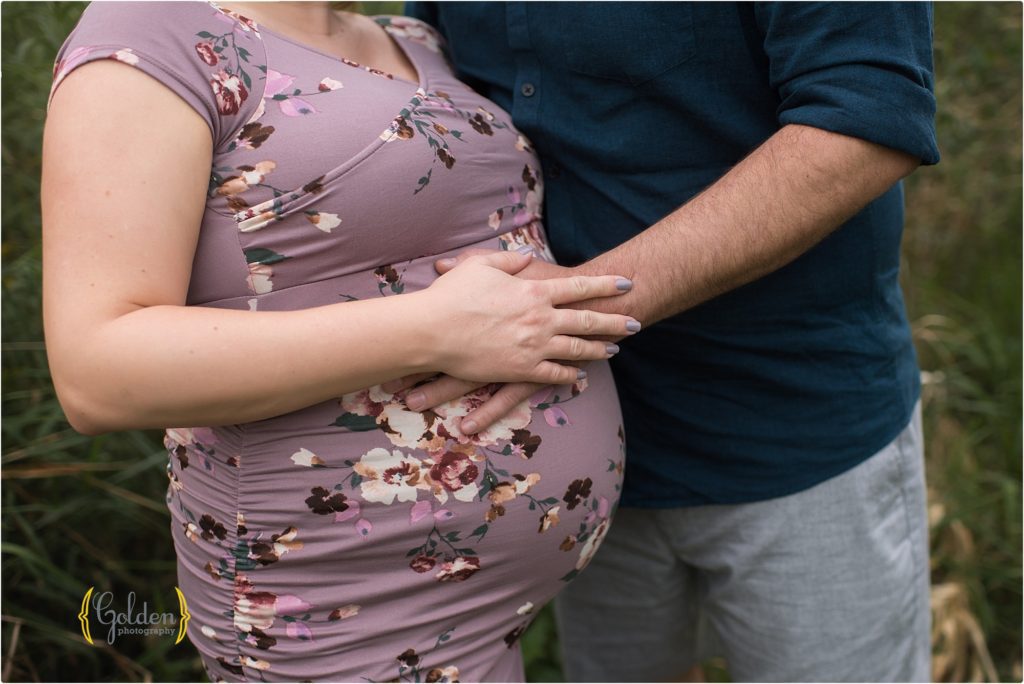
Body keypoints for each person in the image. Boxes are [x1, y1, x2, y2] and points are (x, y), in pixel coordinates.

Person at [42, 2, 642, 681]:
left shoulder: (412, 37)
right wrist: (434, 332)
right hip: (335, 607)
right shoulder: (151, 31)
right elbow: (97, 369)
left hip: (481, 612)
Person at [402, 3, 940, 681]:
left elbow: (864, 123)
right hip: (571, 449)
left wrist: (566, 310)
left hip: (794, 431)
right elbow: (426, 81)